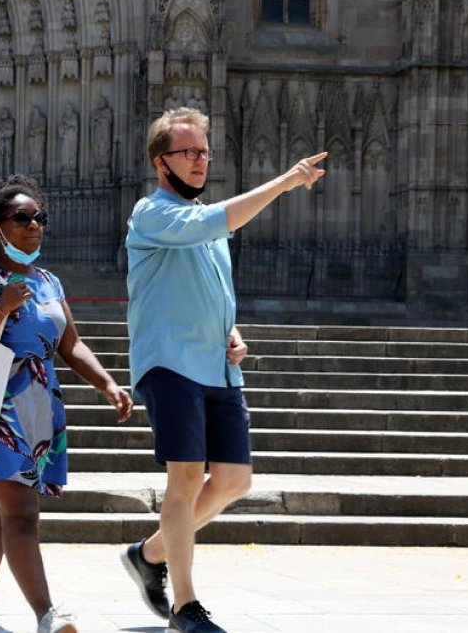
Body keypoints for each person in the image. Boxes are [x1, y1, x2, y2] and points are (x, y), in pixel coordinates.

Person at [121, 107, 327, 633]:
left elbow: (212, 289)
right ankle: (185, 607)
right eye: (189, 151)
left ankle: (148, 555)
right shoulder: (152, 212)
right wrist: (284, 181)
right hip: (169, 362)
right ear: (159, 161)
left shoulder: (209, 225)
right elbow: (214, 221)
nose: (200, 160)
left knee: (234, 480)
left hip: (217, 366)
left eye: (205, 152)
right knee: (186, 478)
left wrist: (232, 332)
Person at [0, 174, 134, 633]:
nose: (35, 225)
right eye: (23, 218)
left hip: (39, 408)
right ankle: (49, 615)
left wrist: (107, 383)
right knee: (22, 512)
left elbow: (71, 344)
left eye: (40, 217)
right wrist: (2, 307)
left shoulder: (49, 281)